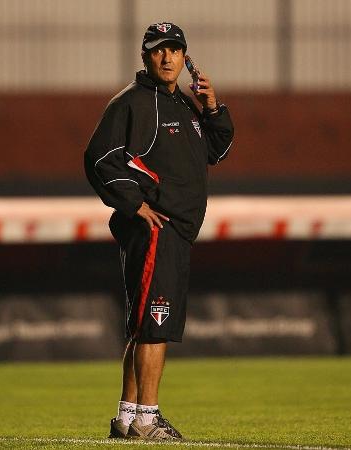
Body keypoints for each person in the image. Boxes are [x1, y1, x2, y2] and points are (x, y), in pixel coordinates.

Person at [84, 22, 234, 440]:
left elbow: (215, 151)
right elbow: (101, 158)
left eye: (174, 50)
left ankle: (128, 416)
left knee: (143, 324)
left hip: (175, 232)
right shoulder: (132, 103)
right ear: (145, 56)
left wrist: (213, 107)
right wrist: (135, 204)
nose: (167, 58)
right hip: (156, 229)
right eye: (158, 50)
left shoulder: (185, 105)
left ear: (185, 58)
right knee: (155, 323)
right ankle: (149, 420)